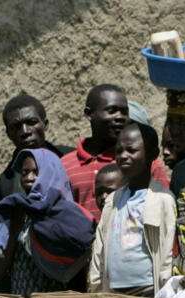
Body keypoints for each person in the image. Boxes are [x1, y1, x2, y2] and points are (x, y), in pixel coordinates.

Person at [0, 148, 94, 296]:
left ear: (51, 173)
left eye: (36, 172)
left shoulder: (69, 216)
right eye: (24, 172)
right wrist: (14, 230)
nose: (29, 177)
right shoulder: (17, 212)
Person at [88, 123, 175, 296]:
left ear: (152, 154)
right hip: (113, 292)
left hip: (148, 291)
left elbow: (167, 250)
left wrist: (165, 291)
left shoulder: (163, 199)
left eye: (131, 150)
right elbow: (100, 246)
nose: (123, 156)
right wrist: (95, 285)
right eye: (119, 151)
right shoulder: (113, 200)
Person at [61, 84, 168, 221]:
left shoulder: (143, 162)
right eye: (112, 111)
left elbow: (162, 211)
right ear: (89, 114)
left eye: (124, 112)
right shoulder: (66, 164)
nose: (120, 117)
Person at [0, 94, 72, 217]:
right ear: (9, 134)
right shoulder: (5, 185)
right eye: (16, 127)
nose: (25, 131)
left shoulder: (70, 160)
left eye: (31, 122)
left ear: (45, 124)